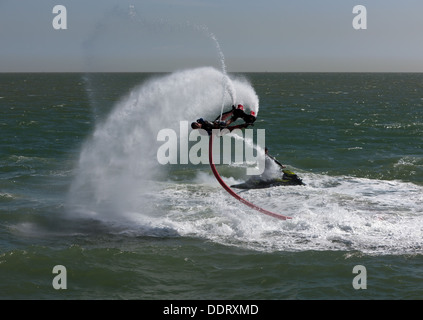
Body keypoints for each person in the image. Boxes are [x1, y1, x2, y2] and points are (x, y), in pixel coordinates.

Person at [191, 104, 256, 135]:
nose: (198, 124)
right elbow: (211, 133)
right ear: (197, 128)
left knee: (221, 118)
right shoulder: (203, 131)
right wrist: (216, 127)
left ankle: (234, 112)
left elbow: (201, 119)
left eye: (197, 124)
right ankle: (246, 124)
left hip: (217, 123)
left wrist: (199, 121)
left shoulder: (201, 122)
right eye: (197, 125)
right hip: (220, 130)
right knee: (230, 126)